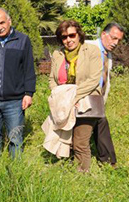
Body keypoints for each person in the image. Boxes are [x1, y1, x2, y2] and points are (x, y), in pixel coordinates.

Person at [0, 8, 36, 158]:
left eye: (2, 22)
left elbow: (28, 69)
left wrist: (28, 93)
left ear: (9, 21)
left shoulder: (22, 40)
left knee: (15, 138)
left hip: (14, 100)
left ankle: (16, 171)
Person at [49, 20, 102, 171]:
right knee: (67, 141)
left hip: (86, 101)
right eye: (64, 37)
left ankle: (82, 176)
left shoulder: (91, 51)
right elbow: (52, 79)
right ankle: (68, 173)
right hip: (64, 103)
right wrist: (58, 96)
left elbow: (94, 79)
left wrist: (74, 97)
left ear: (79, 35)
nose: (68, 40)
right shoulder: (57, 54)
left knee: (80, 142)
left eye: (72, 35)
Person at [86, 22, 125, 167]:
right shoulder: (88, 46)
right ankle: (108, 160)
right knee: (99, 124)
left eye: (119, 40)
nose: (116, 43)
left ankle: (107, 160)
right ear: (103, 34)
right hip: (84, 95)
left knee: (98, 124)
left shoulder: (108, 54)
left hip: (97, 99)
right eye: (114, 38)